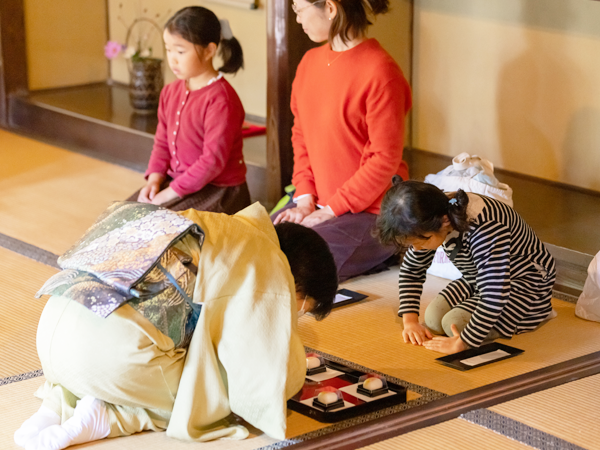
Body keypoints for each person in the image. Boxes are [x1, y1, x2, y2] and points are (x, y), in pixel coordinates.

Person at [15, 202, 337, 450]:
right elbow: (262, 377)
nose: (294, 319)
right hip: (109, 357)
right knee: (207, 396)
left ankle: (56, 407)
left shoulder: (214, 225)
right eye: (300, 309)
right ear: (297, 283)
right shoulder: (263, 260)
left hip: (51, 335)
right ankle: (110, 417)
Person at [272, 0, 412, 282]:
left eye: (299, 9)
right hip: (320, 202)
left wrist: (330, 210)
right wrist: (304, 200)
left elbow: (385, 159)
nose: (298, 19)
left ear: (331, 9)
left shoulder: (381, 72)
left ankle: (383, 253)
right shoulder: (309, 62)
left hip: (371, 211)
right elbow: (301, 137)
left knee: (298, 265)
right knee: (259, 239)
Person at [375, 179, 557, 354]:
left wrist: (463, 342)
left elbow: (495, 292)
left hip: (525, 284)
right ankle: (475, 313)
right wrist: (410, 321)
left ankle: (535, 313)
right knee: (432, 319)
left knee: (452, 324)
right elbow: (412, 270)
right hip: (478, 278)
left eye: (421, 242)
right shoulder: (432, 213)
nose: (416, 249)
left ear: (444, 221)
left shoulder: (484, 228)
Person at [128, 6, 251, 213]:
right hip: (179, 183)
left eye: (180, 51)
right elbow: (162, 143)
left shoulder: (222, 100)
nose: (172, 58)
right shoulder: (170, 91)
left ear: (209, 50)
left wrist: (167, 195)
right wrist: (154, 180)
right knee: (121, 218)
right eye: (168, 49)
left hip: (217, 191)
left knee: (162, 233)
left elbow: (211, 162)